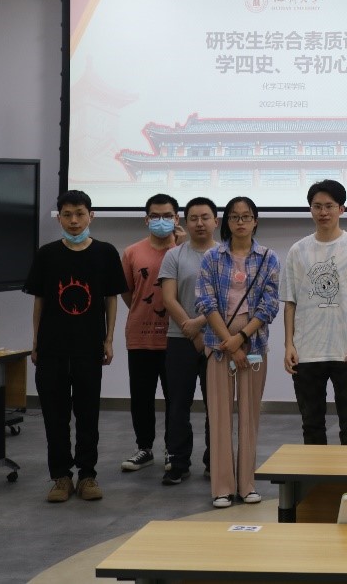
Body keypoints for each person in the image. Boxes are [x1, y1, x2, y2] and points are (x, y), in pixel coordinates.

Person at [25, 190, 128, 503]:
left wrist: (108, 339)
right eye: (67, 215)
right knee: (54, 416)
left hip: (88, 347)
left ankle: (87, 475)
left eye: (80, 214)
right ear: (59, 218)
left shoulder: (105, 252)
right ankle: (60, 477)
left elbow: (111, 299)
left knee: (88, 415)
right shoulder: (47, 254)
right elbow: (40, 300)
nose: (74, 221)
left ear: (91, 215)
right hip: (52, 347)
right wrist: (35, 341)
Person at [195, 196, 279, 508]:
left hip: (253, 344)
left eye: (246, 216)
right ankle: (222, 487)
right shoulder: (212, 257)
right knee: (219, 417)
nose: (240, 222)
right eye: (234, 216)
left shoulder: (268, 257)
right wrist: (228, 341)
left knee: (249, 416)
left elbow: (270, 304)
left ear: (255, 221)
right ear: (226, 222)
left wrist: (241, 338)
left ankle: (247, 484)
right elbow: (205, 302)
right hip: (219, 345)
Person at [281, 180, 347, 447]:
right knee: (311, 425)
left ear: (341, 209)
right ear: (310, 209)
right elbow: (290, 303)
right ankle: (315, 474)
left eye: (329, 206)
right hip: (307, 351)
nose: (323, 212)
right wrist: (289, 345)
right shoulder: (298, 250)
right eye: (317, 206)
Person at [158, 197, 218, 485]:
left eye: (205, 217)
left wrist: (199, 325)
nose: (199, 223)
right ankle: (178, 462)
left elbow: (227, 300)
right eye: (193, 218)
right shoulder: (174, 255)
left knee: (215, 404)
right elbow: (169, 298)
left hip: (217, 338)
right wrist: (190, 329)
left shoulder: (224, 254)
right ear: (185, 222)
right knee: (178, 403)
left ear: (215, 221)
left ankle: (214, 461)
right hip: (179, 338)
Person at [120, 193, 180, 473]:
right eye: (155, 216)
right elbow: (127, 292)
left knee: (175, 398)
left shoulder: (183, 251)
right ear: (146, 219)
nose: (161, 221)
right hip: (140, 336)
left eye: (167, 216)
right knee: (141, 397)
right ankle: (144, 448)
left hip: (176, 337)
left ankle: (172, 449)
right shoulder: (132, 252)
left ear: (176, 219)